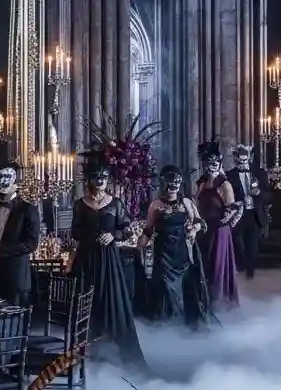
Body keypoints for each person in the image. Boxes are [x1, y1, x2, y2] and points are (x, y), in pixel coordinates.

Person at [70, 156, 145, 365]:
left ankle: (114, 352)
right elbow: (74, 232)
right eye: (96, 177)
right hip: (87, 260)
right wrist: (90, 236)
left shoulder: (116, 203)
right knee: (87, 303)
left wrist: (113, 235)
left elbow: (128, 229)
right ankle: (86, 352)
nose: (101, 180)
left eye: (104, 176)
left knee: (112, 302)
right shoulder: (79, 205)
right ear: (89, 179)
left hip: (110, 261)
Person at [137, 164, 211, 325]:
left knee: (186, 288)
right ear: (164, 184)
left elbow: (200, 222)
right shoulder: (155, 205)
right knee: (165, 287)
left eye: (176, 183)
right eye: (170, 183)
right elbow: (148, 230)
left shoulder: (187, 203)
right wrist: (138, 245)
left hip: (184, 252)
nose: (173, 186)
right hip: (163, 253)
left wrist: (194, 229)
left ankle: (185, 323)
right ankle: (169, 324)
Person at [0, 163, 40, 306]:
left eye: (3, 192)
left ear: (15, 187)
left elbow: (31, 244)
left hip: (16, 276)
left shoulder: (28, 210)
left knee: (15, 323)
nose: (0, 194)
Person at [195, 141, 240, 309]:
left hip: (219, 232)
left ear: (220, 162)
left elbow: (232, 209)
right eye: (209, 162)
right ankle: (203, 300)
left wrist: (222, 222)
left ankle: (219, 303)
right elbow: (197, 205)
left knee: (217, 268)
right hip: (203, 231)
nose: (212, 165)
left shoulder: (224, 185)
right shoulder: (200, 183)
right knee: (204, 266)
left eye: (215, 162)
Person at [227, 144, 271, 279]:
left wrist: (258, 193)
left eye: (245, 160)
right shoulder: (229, 176)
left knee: (252, 248)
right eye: (240, 160)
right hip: (238, 216)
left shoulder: (260, 173)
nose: (243, 163)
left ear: (249, 158)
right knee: (238, 245)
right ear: (235, 159)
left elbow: (270, 195)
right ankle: (240, 271)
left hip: (255, 215)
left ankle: (250, 276)